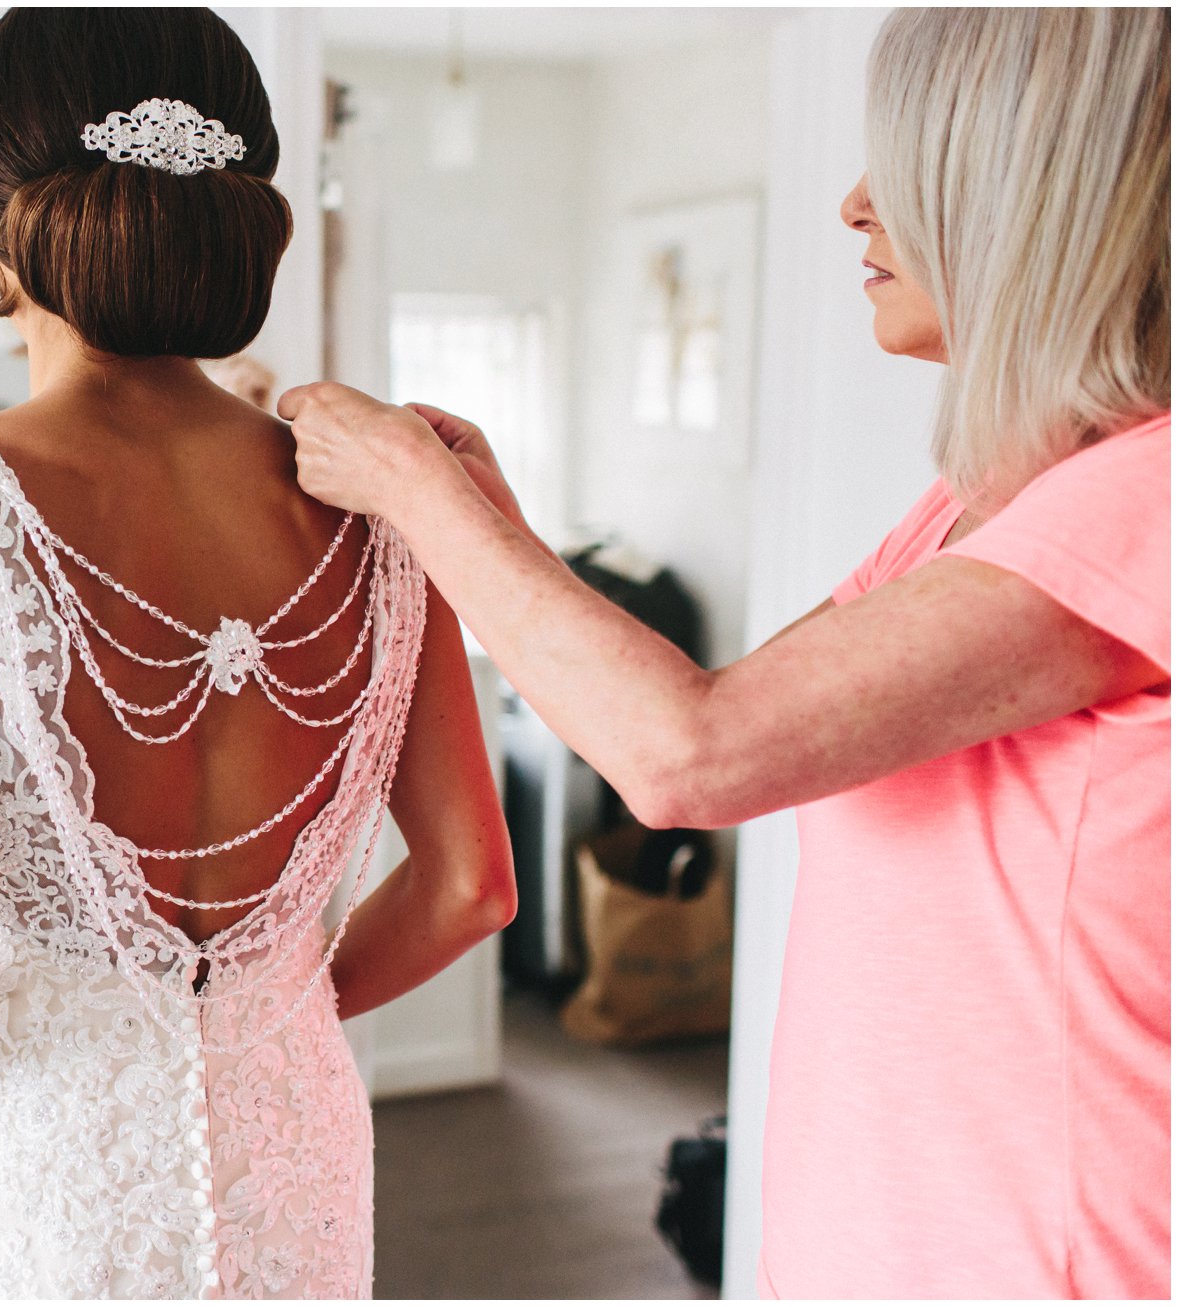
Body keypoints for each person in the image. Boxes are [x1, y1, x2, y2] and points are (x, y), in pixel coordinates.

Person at [278, 7, 1169, 1299]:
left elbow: (691, 754)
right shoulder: (984, 496)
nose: (856, 205)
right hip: (885, 1232)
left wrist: (416, 490)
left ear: (1028, 194)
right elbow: (721, 704)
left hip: (1042, 1253)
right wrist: (493, 523)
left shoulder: (1145, 495)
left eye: (905, 166)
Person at [0, 9, 514, 1299]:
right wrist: (253, 1020)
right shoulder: (372, 489)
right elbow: (470, 883)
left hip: (23, 1173)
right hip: (292, 1162)